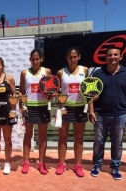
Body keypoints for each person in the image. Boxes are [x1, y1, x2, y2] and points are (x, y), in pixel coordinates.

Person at [89, 46, 126, 180]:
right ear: (106, 58)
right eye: (110, 55)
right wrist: (91, 111)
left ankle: (115, 167)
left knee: (117, 143)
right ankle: (97, 165)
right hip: (100, 114)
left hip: (120, 114)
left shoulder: (125, 73)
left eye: (115, 55)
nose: (112, 57)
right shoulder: (98, 74)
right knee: (98, 142)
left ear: (120, 57)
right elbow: (90, 95)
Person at [55, 47, 89, 177]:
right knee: (62, 137)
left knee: (78, 138)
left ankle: (78, 165)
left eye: (75, 57)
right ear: (67, 58)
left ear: (79, 57)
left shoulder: (84, 70)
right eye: (70, 57)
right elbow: (55, 91)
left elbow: (88, 89)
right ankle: (61, 163)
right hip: (64, 108)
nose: (72, 59)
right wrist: (56, 98)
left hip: (80, 107)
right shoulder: (60, 72)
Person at [19, 49, 52, 175]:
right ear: (30, 60)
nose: (35, 61)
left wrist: (52, 95)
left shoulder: (47, 71)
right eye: (33, 59)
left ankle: (41, 162)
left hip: (43, 107)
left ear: (41, 59)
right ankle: (26, 162)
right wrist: (21, 106)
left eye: (37, 59)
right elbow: (21, 91)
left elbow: (51, 89)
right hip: (29, 108)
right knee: (28, 135)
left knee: (42, 136)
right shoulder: (24, 73)